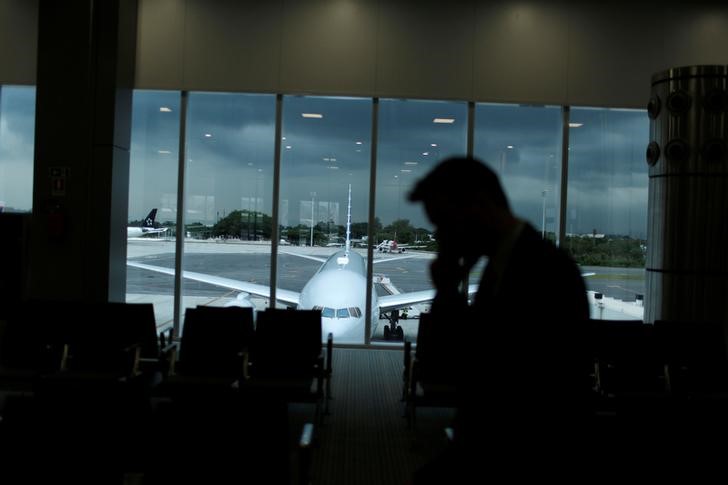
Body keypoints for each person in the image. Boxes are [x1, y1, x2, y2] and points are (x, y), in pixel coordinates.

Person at [408, 156, 592, 481]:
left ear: (477, 205)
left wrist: (448, 293)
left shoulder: (545, 272)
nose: (441, 236)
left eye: (444, 222)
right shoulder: (504, 263)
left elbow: (495, 377)